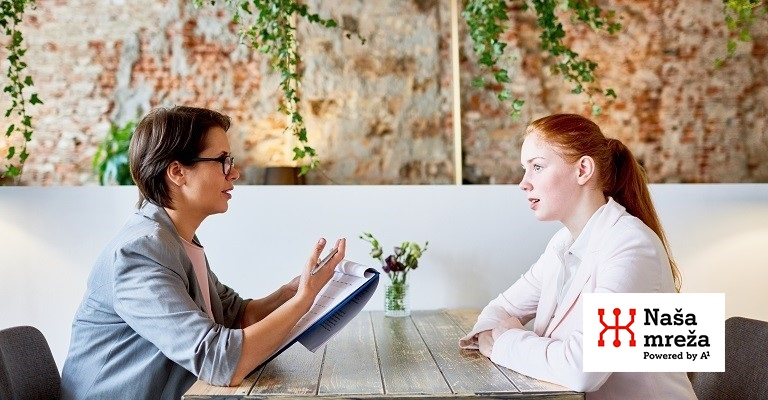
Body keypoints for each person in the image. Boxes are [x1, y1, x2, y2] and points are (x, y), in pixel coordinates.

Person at [60, 106, 346, 400]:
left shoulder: (177, 240)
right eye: (222, 161)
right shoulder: (139, 253)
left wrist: (291, 291)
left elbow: (237, 316)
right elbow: (221, 362)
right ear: (177, 172)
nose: (234, 172)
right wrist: (303, 301)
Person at [459, 114, 696, 399]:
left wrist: (506, 341)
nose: (524, 183)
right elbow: (497, 312)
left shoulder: (631, 246)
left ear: (583, 170)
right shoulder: (563, 243)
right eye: (525, 169)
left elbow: (583, 369)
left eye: (537, 167)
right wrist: (500, 337)